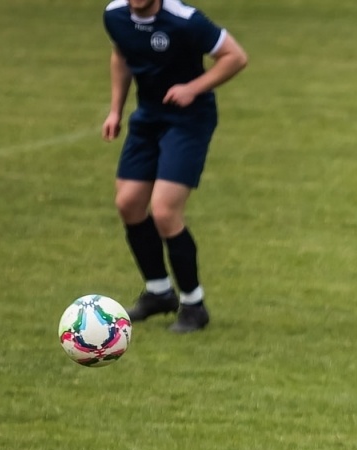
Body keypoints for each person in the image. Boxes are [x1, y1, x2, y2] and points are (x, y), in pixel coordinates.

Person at [102, 0, 248, 333]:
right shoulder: (114, 15)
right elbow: (121, 56)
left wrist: (192, 89)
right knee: (128, 203)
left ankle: (194, 305)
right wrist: (115, 110)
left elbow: (235, 57)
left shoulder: (185, 20)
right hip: (147, 118)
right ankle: (158, 292)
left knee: (165, 211)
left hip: (189, 121)